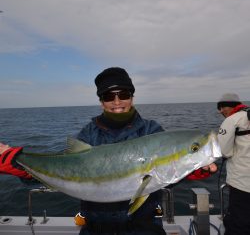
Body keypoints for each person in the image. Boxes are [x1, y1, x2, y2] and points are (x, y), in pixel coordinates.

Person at [0, 67, 217, 235]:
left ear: (132, 96)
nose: (117, 102)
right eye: (108, 96)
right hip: (96, 229)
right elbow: (61, 169)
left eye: (123, 94)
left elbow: (165, 174)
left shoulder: (152, 131)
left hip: (144, 229)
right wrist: (22, 167)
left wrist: (191, 170)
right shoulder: (88, 134)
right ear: (101, 101)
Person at [217, 93, 250, 235]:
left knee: (238, 223)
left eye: (223, 107)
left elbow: (224, 151)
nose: (221, 111)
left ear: (231, 106)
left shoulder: (232, 120)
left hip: (242, 183)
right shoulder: (247, 116)